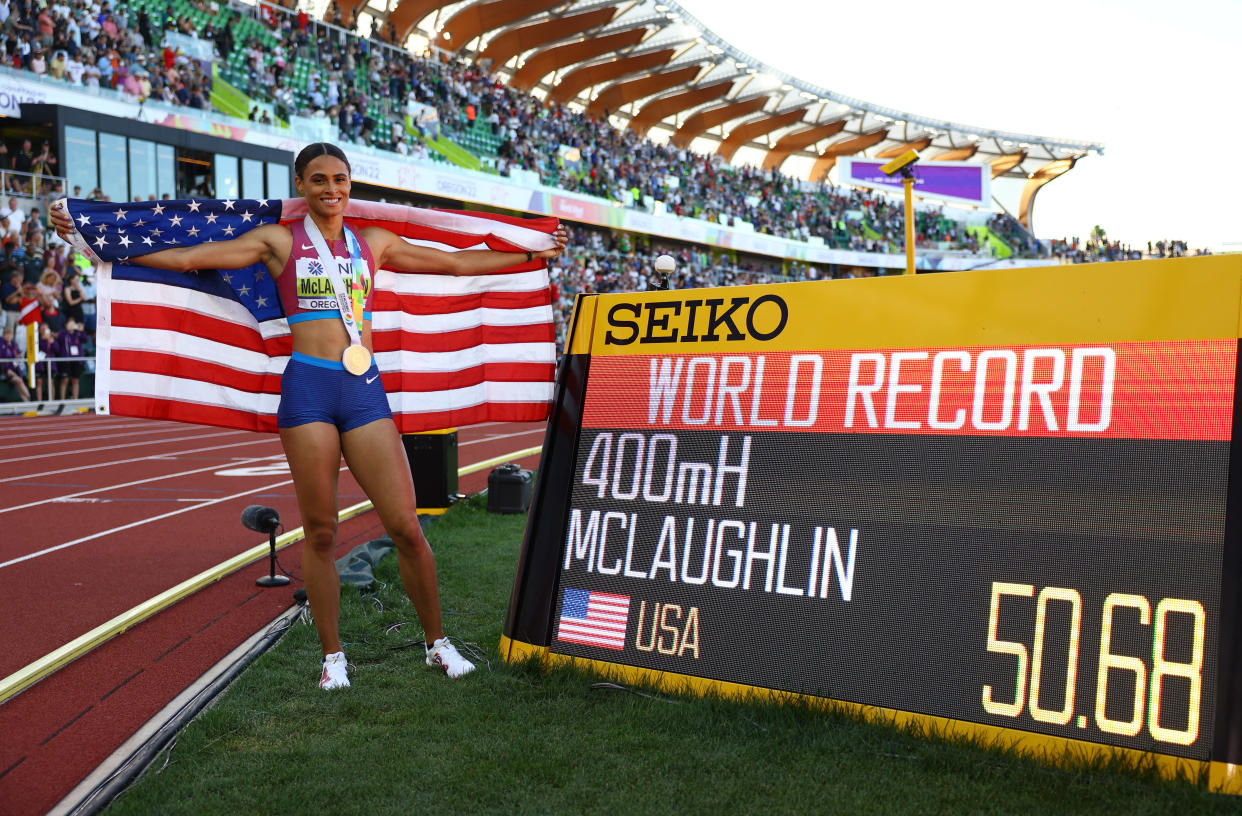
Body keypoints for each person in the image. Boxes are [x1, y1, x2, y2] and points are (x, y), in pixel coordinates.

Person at [51, 142, 568, 691]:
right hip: (308, 392)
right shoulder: (279, 240)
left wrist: (532, 255)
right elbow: (187, 257)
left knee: (407, 527)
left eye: (340, 179)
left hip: (363, 389)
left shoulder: (374, 243)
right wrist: (91, 238)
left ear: (351, 184)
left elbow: (457, 263)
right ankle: (332, 655)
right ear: (301, 185)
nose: (331, 189)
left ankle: (437, 644)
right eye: (318, 180)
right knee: (321, 531)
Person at [0, 325, 31, 402]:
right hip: (5, 371)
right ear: (3, 335)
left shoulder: (14, 344)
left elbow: (17, 356)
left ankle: (26, 403)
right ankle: (30, 398)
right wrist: (7, 370)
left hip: (16, 369)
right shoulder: (1, 345)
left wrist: (18, 356)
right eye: (6, 334)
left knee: (19, 384)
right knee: (19, 381)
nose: (8, 336)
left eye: (10, 334)